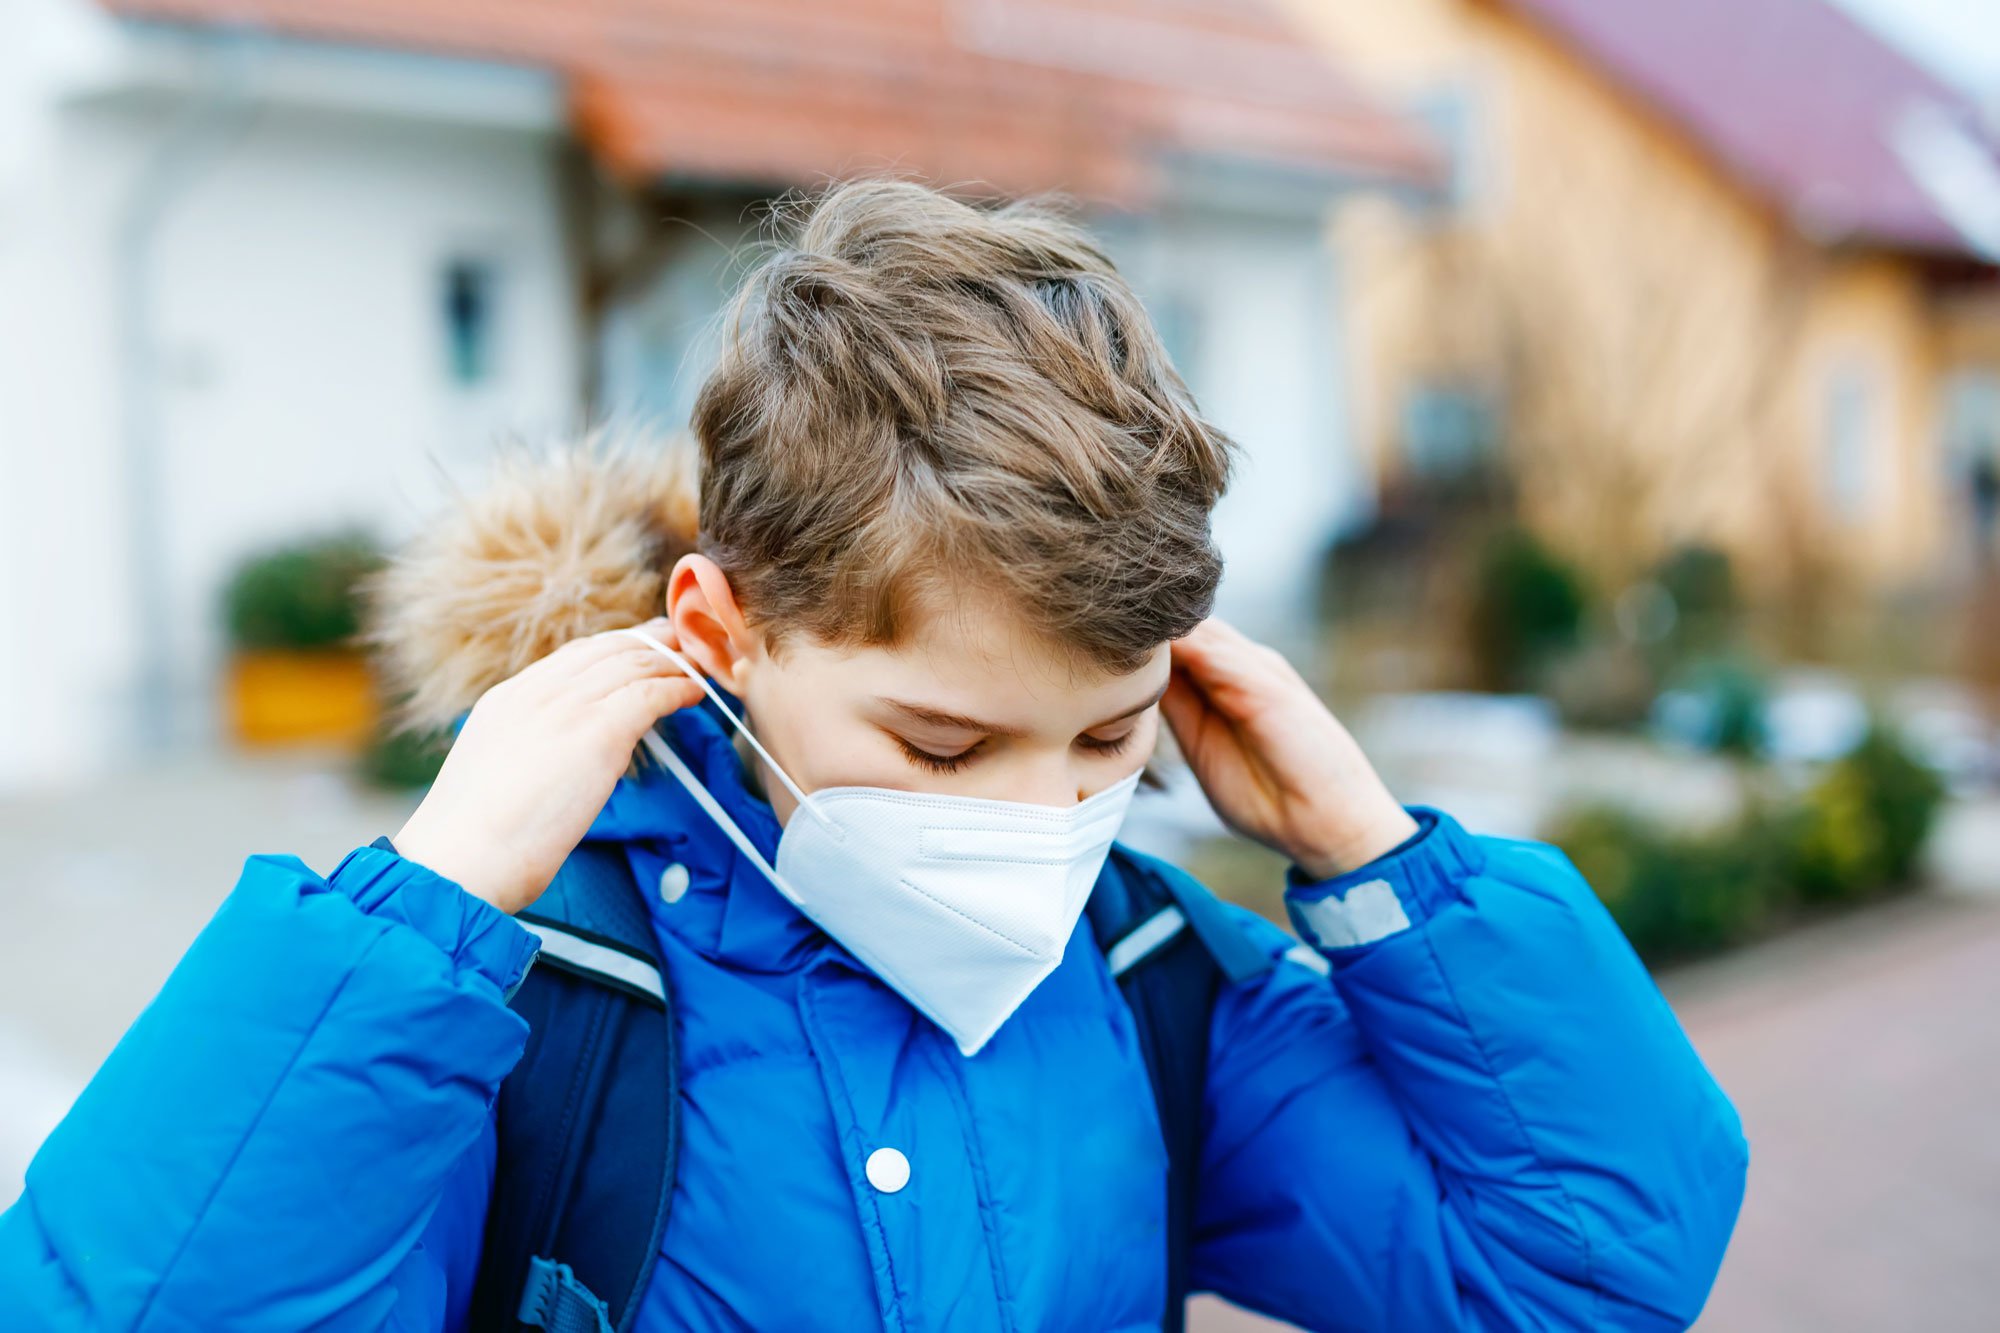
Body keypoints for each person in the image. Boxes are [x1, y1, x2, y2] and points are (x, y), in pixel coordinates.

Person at [0, 178, 1746, 1331]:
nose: (1043, 817)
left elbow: (1587, 1271)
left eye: (1106, 738)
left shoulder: (1151, 985)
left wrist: (1382, 856)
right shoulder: (530, 1006)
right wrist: (415, 913)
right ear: (721, 627)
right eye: (942, 738)